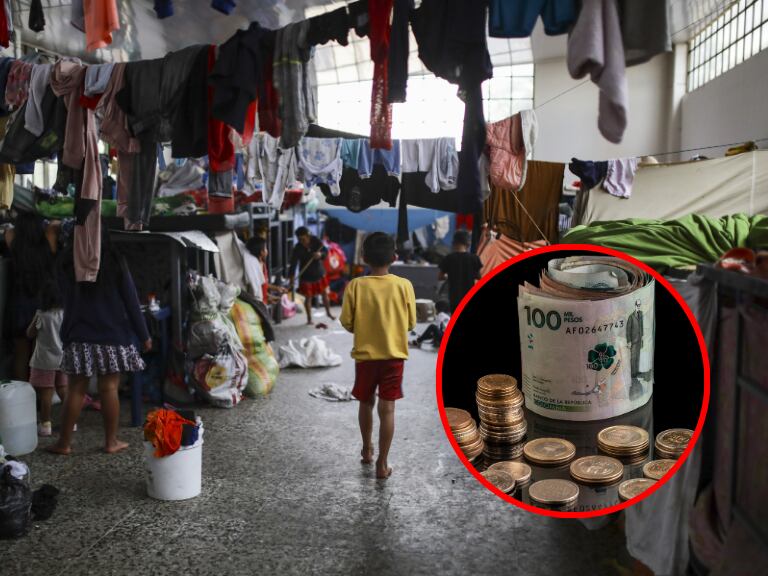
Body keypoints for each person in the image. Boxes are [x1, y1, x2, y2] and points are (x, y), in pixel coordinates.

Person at [48, 231, 151, 455]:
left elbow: (64, 299)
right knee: (109, 388)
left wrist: (66, 334)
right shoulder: (115, 262)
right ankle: (110, 442)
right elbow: (131, 300)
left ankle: (64, 444)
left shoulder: (67, 262)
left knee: (75, 389)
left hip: (78, 335)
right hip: (111, 335)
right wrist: (144, 335)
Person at [340, 232, 416, 479]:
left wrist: (364, 328)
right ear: (394, 257)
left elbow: (347, 322)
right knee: (388, 409)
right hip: (393, 357)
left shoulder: (355, 286)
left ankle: (366, 450)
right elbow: (411, 323)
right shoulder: (404, 285)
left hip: (365, 357)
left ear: (363, 258)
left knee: (365, 402)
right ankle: (382, 465)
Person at [6, 213, 55, 381]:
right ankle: (38, 398)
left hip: (19, 306)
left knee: (20, 355)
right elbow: (55, 225)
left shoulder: (15, 245)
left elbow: (9, 231)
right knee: (38, 358)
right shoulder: (46, 246)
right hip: (40, 306)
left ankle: (22, 395)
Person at [26, 275, 69, 437]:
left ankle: (45, 425)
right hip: (63, 359)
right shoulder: (66, 314)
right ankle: (70, 422)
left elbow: (29, 334)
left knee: (46, 394)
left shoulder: (42, 315)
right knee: (64, 390)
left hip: (44, 361)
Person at [288, 226, 335, 324]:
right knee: (308, 298)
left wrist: (320, 255)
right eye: (299, 239)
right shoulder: (298, 248)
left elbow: (325, 251)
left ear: (308, 236)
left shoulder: (316, 241)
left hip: (319, 272)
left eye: (303, 239)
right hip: (306, 275)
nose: (302, 241)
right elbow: (293, 264)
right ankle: (309, 319)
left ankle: (329, 313)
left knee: (324, 294)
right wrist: (291, 278)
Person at [439, 230, 482, 312]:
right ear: (467, 243)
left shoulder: (449, 258)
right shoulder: (474, 258)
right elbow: (479, 277)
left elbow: (440, 277)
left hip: (454, 297)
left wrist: (448, 276)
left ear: (454, 242)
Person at [245, 236, 286, 304]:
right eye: (266, 248)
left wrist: (271, 293)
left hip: (263, 301)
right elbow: (256, 290)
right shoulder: (255, 268)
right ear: (262, 252)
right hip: (258, 303)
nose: (267, 251)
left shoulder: (262, 264)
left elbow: (262, 285)